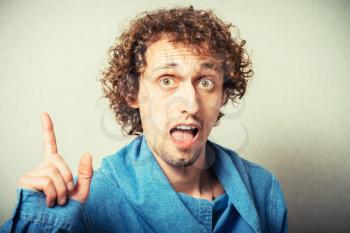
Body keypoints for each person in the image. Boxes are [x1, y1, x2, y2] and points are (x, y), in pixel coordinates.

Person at [1, 6, 287, 233]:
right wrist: (39, 224)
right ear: (132, 93)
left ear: (223, 95)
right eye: (166, 80)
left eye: (206, 82)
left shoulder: (263, 190)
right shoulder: (84, 202)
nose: (189, 103)